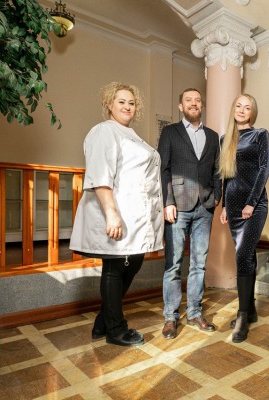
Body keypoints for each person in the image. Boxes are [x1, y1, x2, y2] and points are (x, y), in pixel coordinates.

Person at [70, 82, 163, 347]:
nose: (127, 106)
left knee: (133, 262)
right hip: (117, 211)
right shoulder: (104, 131)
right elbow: (100, 175)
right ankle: (116, 330)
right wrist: (111, 213)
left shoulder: (131, 135)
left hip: (135, 215)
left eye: (131, 103)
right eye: (121, 101)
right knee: (115, 267)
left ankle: (103, 321)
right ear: (109, 104)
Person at [157, 88, 221, 339]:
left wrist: (217, 196)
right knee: (173, 264)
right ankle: (171, 317)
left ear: (201, 105)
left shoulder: (212, 136)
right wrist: (167, 201)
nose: (194, 103)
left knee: (199, 264)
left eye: (197, 100)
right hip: (177, 206)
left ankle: (194, 313)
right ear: (181, 106)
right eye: (188, 100)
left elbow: (217, 170)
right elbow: (164, 169)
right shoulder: (170, 132)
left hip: (205, 207)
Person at [219, 94, 269, 343]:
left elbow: (264, 169)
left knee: (242, 256)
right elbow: (226, 176)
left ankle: (241, 316)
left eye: (247, 107)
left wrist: (251, 202)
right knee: (247, 255)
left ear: (252, 112)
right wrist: (224, 205)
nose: (241, 110)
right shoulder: (225, 139)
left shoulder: (260, 135)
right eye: (238, 106)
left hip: (255, 204)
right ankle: (250, 310)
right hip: (233, 204)